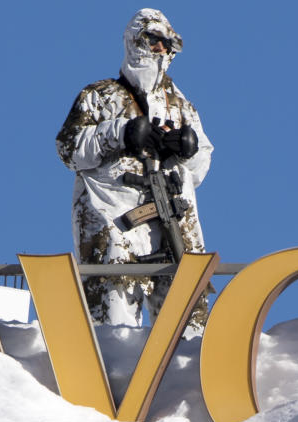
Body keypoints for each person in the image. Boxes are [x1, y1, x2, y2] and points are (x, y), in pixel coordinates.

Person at [56, 8, 213, 332]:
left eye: (167, 43)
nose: (160, 49)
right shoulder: (99, 96)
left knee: (187, 319)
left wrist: (188, 148)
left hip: (175, 223)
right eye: (153, 40)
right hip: (114, 220)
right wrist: (119, 133)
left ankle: (187, 379)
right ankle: (115, 376)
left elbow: (200, 168)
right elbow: (69, 149)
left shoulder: (181, 105)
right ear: (135, 40)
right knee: (114, 313)